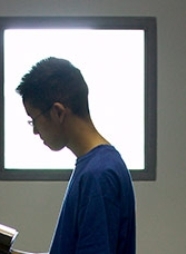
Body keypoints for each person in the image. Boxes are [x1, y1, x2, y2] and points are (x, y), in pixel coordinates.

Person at [14, 57, 136, 254]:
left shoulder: (98, 175)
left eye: (34, 120)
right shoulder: (98, 166)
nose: (35, 131)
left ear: (58, 112)